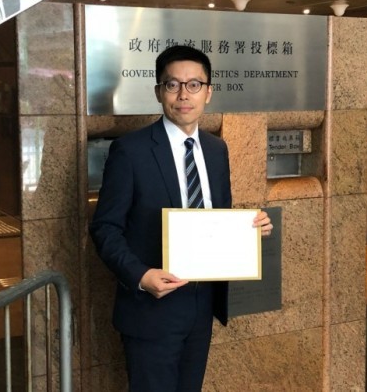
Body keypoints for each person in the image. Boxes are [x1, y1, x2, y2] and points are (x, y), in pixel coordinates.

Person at [89, 45, 273, 392]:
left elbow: (217, 220)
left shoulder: (216, 150)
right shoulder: (131, 151)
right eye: (172, 85)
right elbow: (105, 228)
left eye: (194, 85)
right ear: (159, 91)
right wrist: (141, 276)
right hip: (151, 309)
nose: (183, 95)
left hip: (201, 305)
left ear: (208, 92)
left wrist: (251, 229)